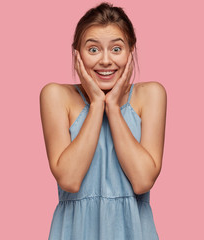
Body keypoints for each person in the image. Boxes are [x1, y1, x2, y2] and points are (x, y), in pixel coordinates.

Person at [40, 2, 167, 239]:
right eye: (93, 49)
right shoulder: (56, 96)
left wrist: (113, 107)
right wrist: (97, 104)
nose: (106, 61)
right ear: (76, 53)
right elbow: (69, 179)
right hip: (76, 231)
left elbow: (142, 181)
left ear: (131, 52)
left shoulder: (151, 95)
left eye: (116, 49)